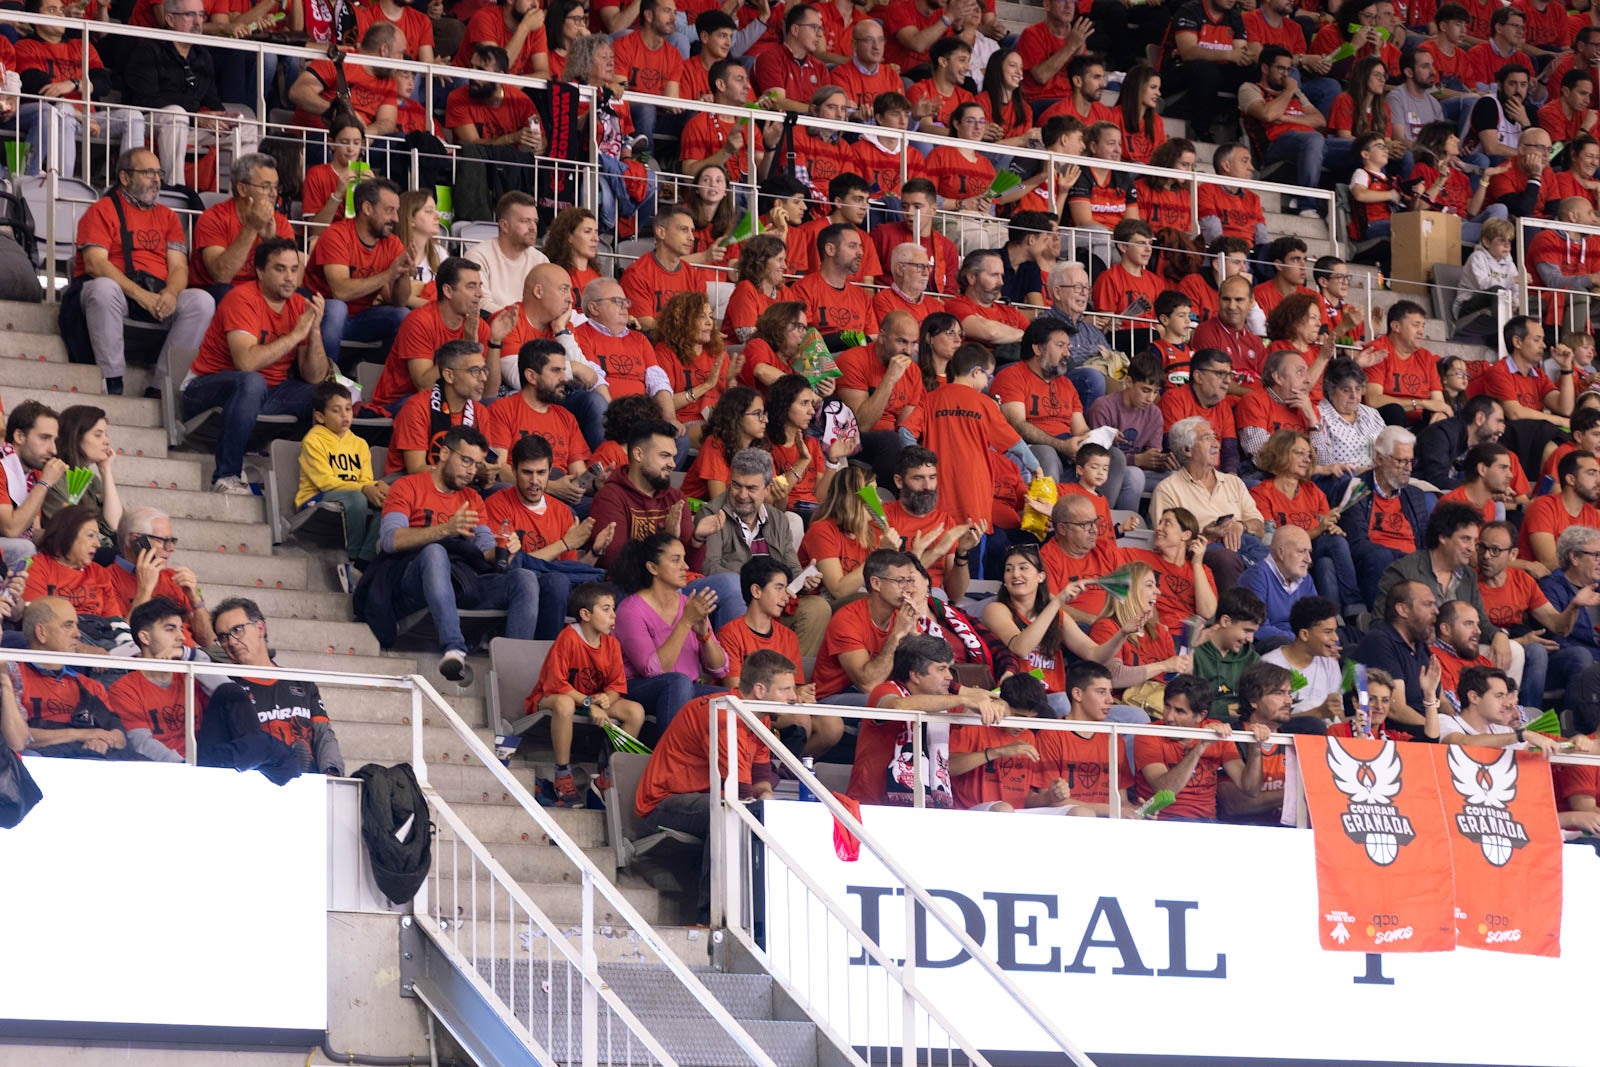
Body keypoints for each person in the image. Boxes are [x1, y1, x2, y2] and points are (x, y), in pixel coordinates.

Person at [634, 648, 794, 918]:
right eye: (786, 690)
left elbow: (760, 781)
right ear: (759, 689)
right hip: (661, 805)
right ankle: (711, 916)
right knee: (729, 812)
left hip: (706, 799)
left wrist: (767, 796)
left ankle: (764, 915)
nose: (794, 698)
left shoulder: (760, 718)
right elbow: (742, 794)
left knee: (751, 810)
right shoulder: (723, 715)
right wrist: (761, 799)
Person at [375, 426, 542, 682]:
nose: (472, 471)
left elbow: (485, 550)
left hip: (464, 581)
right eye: (466, 461)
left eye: (476, 464)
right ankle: (453, 647)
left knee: (525, 578)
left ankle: (515, 676)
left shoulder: (473, 498)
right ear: (443, 453)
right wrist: (445, 529)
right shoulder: (407, 486)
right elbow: (390, 540)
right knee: (435, 552)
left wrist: (503, 549)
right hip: (413, 583)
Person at [184, 238, 327, 495]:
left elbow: (314, 375)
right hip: (205, 389)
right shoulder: (242, 299)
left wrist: (314, 330)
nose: (289, 277)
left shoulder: (298, 305)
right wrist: (295, 335)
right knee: (252, 381)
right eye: (280, 269)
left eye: (294, 269)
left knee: (324, 395)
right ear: (260, 271)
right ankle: (225, 476)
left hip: (266, 392)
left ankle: (304, 482)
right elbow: (246, 363)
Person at [69, 148, 213, 396]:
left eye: (159, 173)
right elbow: (95, 264)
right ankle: (112, 379)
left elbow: (179, 267)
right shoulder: (102, 210)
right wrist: (141, 295)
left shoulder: (168, 217)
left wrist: (171, 292)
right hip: (119, 295)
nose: (156, 179)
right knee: (103, 288)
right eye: (148, 173)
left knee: (202, 301)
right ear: (124, 178)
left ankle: (161, 387)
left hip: (157, 294)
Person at [589, 422, 742, 625]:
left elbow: (691, 567)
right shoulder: (611, 497)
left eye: (673, 456)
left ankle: (731, 655)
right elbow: (616, 564)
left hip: (675, 588)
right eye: (664, 455)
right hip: (629, 591)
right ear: (638, 454)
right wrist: (668, 541)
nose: (672, 463)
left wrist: (698, 539)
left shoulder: (675, 497)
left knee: (733, 584)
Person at [523, 582, 646, 806]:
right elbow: (557, 684)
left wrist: (608, 697)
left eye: (614, 609)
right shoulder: (568, 637)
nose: (613, 615)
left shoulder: (612, 644)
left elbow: (616, 685)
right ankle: (562, 773)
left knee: (635, 711)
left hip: (591, 701)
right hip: (552, 697)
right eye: (606, 609)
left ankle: (608, 774)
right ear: (585, 614)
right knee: (565, 705)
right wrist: (590, 703)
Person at [846, 633, 1000, 809]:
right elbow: (898, 706)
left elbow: (993, 706)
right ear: (916, 675)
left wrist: (997, 703)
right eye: (942, 669)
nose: (949, 676)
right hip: (872, 806)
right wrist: (963, 698)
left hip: (927, 810)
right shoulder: (885, 690)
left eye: (949, 669)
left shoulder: (944, 702)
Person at [700, 448, 830, 654]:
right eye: (736, 486)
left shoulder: (777, 518)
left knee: (818, 608)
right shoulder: (712, 515)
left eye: (751, 488)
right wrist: (760, 589)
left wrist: (804, 581)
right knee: (735, 596)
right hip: (738, 602)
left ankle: (789, 680)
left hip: (774, 602)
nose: (742, 495)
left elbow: (792, 567)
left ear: (768, 489)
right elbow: (709, 568)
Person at [123, 0, 261, 185]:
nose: (198, 22)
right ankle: (175, 187)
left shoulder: (202, 55)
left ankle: (242, 196)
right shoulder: (148, 49)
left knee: (247, 127)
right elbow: (146, 99)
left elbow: (211, 99)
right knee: (176, 114)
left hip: (189, 124)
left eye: (201, 15)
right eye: (190, 15)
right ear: (170, 19)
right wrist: (195, 116)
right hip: (149, 122)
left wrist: (224, 117)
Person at [981, 544, 1128, 710]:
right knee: (1062, 703)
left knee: (1135, 716)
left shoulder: (1056, 615)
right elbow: (1021, 648)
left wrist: (1122, 633)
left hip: (1055, 696)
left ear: (1041, 576)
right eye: (1008, 569)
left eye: (1023, 568)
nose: (1015, 574)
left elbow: (1095, 655)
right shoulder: (996, 610)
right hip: (1018, 698)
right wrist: (1057, 601)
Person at [716, 555, 837, 757]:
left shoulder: (787, 636)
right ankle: (780, 770)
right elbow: (735, 690)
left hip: (779, 708)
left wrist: (803, 694)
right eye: (778, 588)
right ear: (756, 591)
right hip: (745, 710)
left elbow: (794, 688)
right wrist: (792, 696)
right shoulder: (730, 633)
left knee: (832, 725)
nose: (786, 596)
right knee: (801, 720)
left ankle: (787, 768)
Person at [209, 597, 344, 775]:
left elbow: (323, 736)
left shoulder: (301, 682)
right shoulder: (226, 689)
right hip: (258, 786)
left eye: (237, 630)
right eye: (223, 637)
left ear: (260, 628)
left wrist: (332, 775)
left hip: (310, 787)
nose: (231, 642)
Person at [612, 531, 730, 735]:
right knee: (678, 682)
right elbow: (652, 670)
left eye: (684, 559)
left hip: (686, 689)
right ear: (652, 567)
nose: (685, 566)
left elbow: (720, 669)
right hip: (639, 689)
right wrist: (685, 622)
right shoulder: (630, 609)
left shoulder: (688, 604)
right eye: (676, 560)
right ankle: (669, 760)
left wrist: (705, 636)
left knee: (733, 700)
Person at [304, 178, 413, 367]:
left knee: (402, 315)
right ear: (367, 208)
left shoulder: (392, 242)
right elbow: (340, 291)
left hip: (361, 319)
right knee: (337, 308)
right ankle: (325, 380)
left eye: (396, 211)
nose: (395, 218)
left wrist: (403, 273)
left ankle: (374, 376)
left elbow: (400, 301)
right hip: (320, 317)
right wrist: (389, 274)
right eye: (389, 210)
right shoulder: (336, 235)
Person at [1151, 416, 1268, 588]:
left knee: (1283, 558)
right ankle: (1236, 613)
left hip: (1246, 545)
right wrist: (1205, 535)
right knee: (1226, 558)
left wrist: (1240, 526)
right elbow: (1167, 541)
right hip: (1203, 552)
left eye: (1215, 437)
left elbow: (1259, 526)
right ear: (1187, 450)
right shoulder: (1167, 489)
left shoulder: (1234, 482)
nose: (1216, 444)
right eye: (1207, 438)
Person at [1135, 674, 1268, 822]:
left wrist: (1255, 749)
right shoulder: (1148, 733)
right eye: (1167, 706)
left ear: (1200, 716)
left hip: (1208, 823)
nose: (1169, 717)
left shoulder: (1217, 730)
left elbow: (1250, 788)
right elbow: (1165, 789)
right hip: (1163, 821)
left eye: (1179, 711)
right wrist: (1200, 746)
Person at [1251, 430, 1360, 608]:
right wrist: (1318, 530)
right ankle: (1350, 607)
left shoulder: (1313, 491)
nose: (1307, 459)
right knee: (1326, 562)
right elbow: (1269, 541)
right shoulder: (1261, 493)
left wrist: (1332, 529)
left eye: (1309, 455)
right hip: (1284, 556)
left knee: (1333, 546)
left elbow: (1326, 526)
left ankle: (1337, 616)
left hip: (1314, 550)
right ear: (1280, 453)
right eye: (1299, 453)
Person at [10, 597, 130, 759]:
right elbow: (16, 737)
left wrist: (104, 740)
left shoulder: (90, 685)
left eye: (76, 625)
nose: (78, 634)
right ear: (42, 632)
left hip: (92, 759)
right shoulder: (13, 679)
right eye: (68, 625)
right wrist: (81, 735)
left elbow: (118, 733)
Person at [294, 381, 385, 582]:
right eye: (336, 410)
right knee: (357, 499)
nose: (345, 415)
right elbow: (325, 482)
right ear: (320, 416)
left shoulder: (360, 443)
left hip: (353, 493)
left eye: (348, 409)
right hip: (316, 497)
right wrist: (364, 487)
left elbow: (366, 479)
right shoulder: (313, 440)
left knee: (387, 502)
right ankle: (351, 557)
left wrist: (376, 486)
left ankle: (362, 563)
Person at [481, 341, 592, 497]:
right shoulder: (502, 410)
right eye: (556, 371)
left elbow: (579, 476)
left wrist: (594, 482)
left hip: (562, 490)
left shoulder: (567, 418)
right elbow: (499, 469)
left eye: (564, 371)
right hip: (524, 491)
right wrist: (550, 487)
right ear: (531, 376)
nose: (565, 378)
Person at [107, 596, 200, 762]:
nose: (181, 637)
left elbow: (228, 691)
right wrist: (184, 766)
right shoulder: (124, 689)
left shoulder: (194, 676)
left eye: (181, 629)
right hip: (163, 772)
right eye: (170, 629)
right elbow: (142, 743)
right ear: (145, 637)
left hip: (209, 766)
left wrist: (191, 655)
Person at [1239, 46, 1329, 217]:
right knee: (1314, 139)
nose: (1285, 74)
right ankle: (1306, 204)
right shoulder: (1250, 89)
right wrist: (1288, 91)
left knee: (1362, 148)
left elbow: (1320, 121)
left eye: (1288, 69)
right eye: (1280, 68)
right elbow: (1268, 114)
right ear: (1265, 68)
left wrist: (1288, 118)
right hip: (1275, 144)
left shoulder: (1297, 94)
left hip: (1310, 143)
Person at [189, 153, 294, 297]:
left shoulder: (279, 222)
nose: (274, 193)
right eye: (265, 187)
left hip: (259, 293)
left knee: (301, 296)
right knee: (225, 292)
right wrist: (251, 228)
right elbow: (221, 275)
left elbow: (291, 279)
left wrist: (271, 241)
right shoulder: (213, 218)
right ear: (242, 189)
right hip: (217, 293)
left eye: (276, 187)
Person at [386, 340, 492, 477]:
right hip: (414, 486)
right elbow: (415, 468)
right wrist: (466, 471)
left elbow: (481, 461)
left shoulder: (480, 412)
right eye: (475, 371)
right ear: (449, 375)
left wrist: (487, 472)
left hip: (462, 485)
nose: (483, 378)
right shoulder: (416, 408)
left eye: (484, 370)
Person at [1088, 562, 1194, 694]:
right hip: (1123, 706)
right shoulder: (1106, 628)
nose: (1158, 591)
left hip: (1161, 704)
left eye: (1156, 585)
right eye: (1150, 585)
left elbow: (1172, 679)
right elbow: (1113, 676)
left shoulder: (1159, 631)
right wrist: (1163, 665)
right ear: (1129, 592)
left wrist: (1186, 663)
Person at [1354, 580, 1443, 735]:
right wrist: (1439, 731)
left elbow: (1442, 701)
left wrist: (1456, 728)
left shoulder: (1421, 647)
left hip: (1428, 729)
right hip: (1392, 736)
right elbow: (1396, 709)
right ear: (1403, 610)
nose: (1436, 611)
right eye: (1428, 604)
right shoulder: (1380, 641)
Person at [39, 405, 121, 550]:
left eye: (106, 434)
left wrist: (105, 470)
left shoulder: (92, 480)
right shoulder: (56, 474)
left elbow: (115, 524)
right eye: (98, 435)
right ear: (76, 436)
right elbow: (66, 533)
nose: (106, 441)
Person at [22, 505, 119, 621]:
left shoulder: (99, 572)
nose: (97, 544)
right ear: (66, 536)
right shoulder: (39, 566)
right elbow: (37, 618)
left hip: (100, 635)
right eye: (91, 535)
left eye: (97, 537)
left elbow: (115, 622)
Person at [1438, 665, 1563, 752]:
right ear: (1474, 697)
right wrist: (1522, 735)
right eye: (1499, 696)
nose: (1507, 703)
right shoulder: (1445, 721)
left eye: (1505, 696)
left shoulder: (1503, 731)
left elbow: (1540, 748)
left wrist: (1574, 743)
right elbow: (1463, 743)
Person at [1261, 596, 1345, 716]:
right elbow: (1268, 721)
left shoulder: (1330, 662)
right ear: (1304, 634)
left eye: (1335, 631)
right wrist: (1318, 712)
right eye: (1328, 632)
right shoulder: (1269, 664)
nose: (1336, 638)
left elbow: (1338, 717)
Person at [1192, 587, 1266, 719]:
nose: (1250, 639)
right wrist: (1223, 710)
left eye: (1254, 632)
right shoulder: (1193, 650)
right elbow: (1183, 703)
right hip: (1200, 726)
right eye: (1247, 630)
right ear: (1225, 621)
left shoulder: (1252, 659)